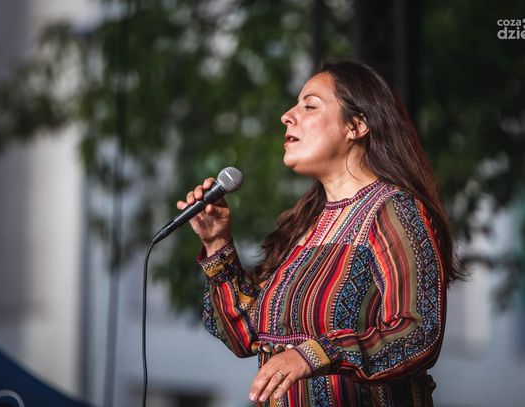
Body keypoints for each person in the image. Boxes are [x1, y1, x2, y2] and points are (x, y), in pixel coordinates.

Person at [177, 60, 460, 406]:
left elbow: (418, 333)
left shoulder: (394, 209)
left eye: (309, 106)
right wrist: (216, 243)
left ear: (356, 125)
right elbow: (244, 336)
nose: (287, 116)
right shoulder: (304, 227)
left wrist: (315, 354)